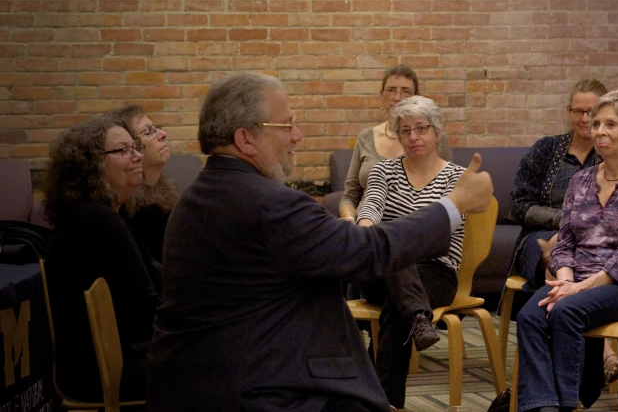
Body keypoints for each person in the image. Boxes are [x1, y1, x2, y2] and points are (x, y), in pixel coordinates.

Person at [145, 72, 494, 412]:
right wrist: (454, 205)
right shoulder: (269, 203)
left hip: (210, 377)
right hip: (254, 389)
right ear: (245, 139)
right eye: (286, 125)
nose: (297, 136)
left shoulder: (198, 197)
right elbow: (367, 250)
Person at [514, 88, 618, 412]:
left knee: (567, 310)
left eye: (610, 124)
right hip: (578, 281)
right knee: (530, 314)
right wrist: (565, 280)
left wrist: (579, 289)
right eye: (597, 124)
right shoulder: (580, 182)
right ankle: (545, 406)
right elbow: (566, 241)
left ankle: (572, 402)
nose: (599, 131)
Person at [354, 95, 466, 408]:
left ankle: (381, 401)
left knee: (396, 305)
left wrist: (390, 240)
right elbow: (372, 205)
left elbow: (439, 232)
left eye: (422, 128)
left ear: (438, 133)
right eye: (405, 130)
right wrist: (363, 230)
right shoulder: (383, 171)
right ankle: (419, 315)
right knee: (393, 250)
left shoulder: (455, 177)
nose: (413, 136)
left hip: (436, 273)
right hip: (383, 271)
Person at [43, 117, 160, 401]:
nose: (137, 156)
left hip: (105, 363)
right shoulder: (99, 221)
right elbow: (145, 310)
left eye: (136, 147)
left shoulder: (99, 215)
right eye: (122, 151)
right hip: (105, 370)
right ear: (90, 166)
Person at [506, 78, 615, 382]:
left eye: (590, 112)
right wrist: (564, 221)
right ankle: (599, 348)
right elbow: (519, 206)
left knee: (585, 252)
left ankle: (585, 348)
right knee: (558, 246)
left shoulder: (613, 153)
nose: (583, 119)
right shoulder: (547, 148)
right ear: (568, 112)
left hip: (597, 242)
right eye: (577, 111)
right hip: (538, 238)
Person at [339, 65, 452, 222]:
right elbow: (350, 195)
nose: (398, 97)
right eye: (391, 90)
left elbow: (447, 189)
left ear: (417, 97)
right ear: (382, 95)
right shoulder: (366, 138)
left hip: (416, 226)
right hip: (369, 225)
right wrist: (349, 218)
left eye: (406, 91)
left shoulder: (433, 138)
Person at [103, 104, 179, 291]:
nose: (163, 134)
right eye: (149, 132)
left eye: (156, 128)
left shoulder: (160, 191)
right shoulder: (130, 209)